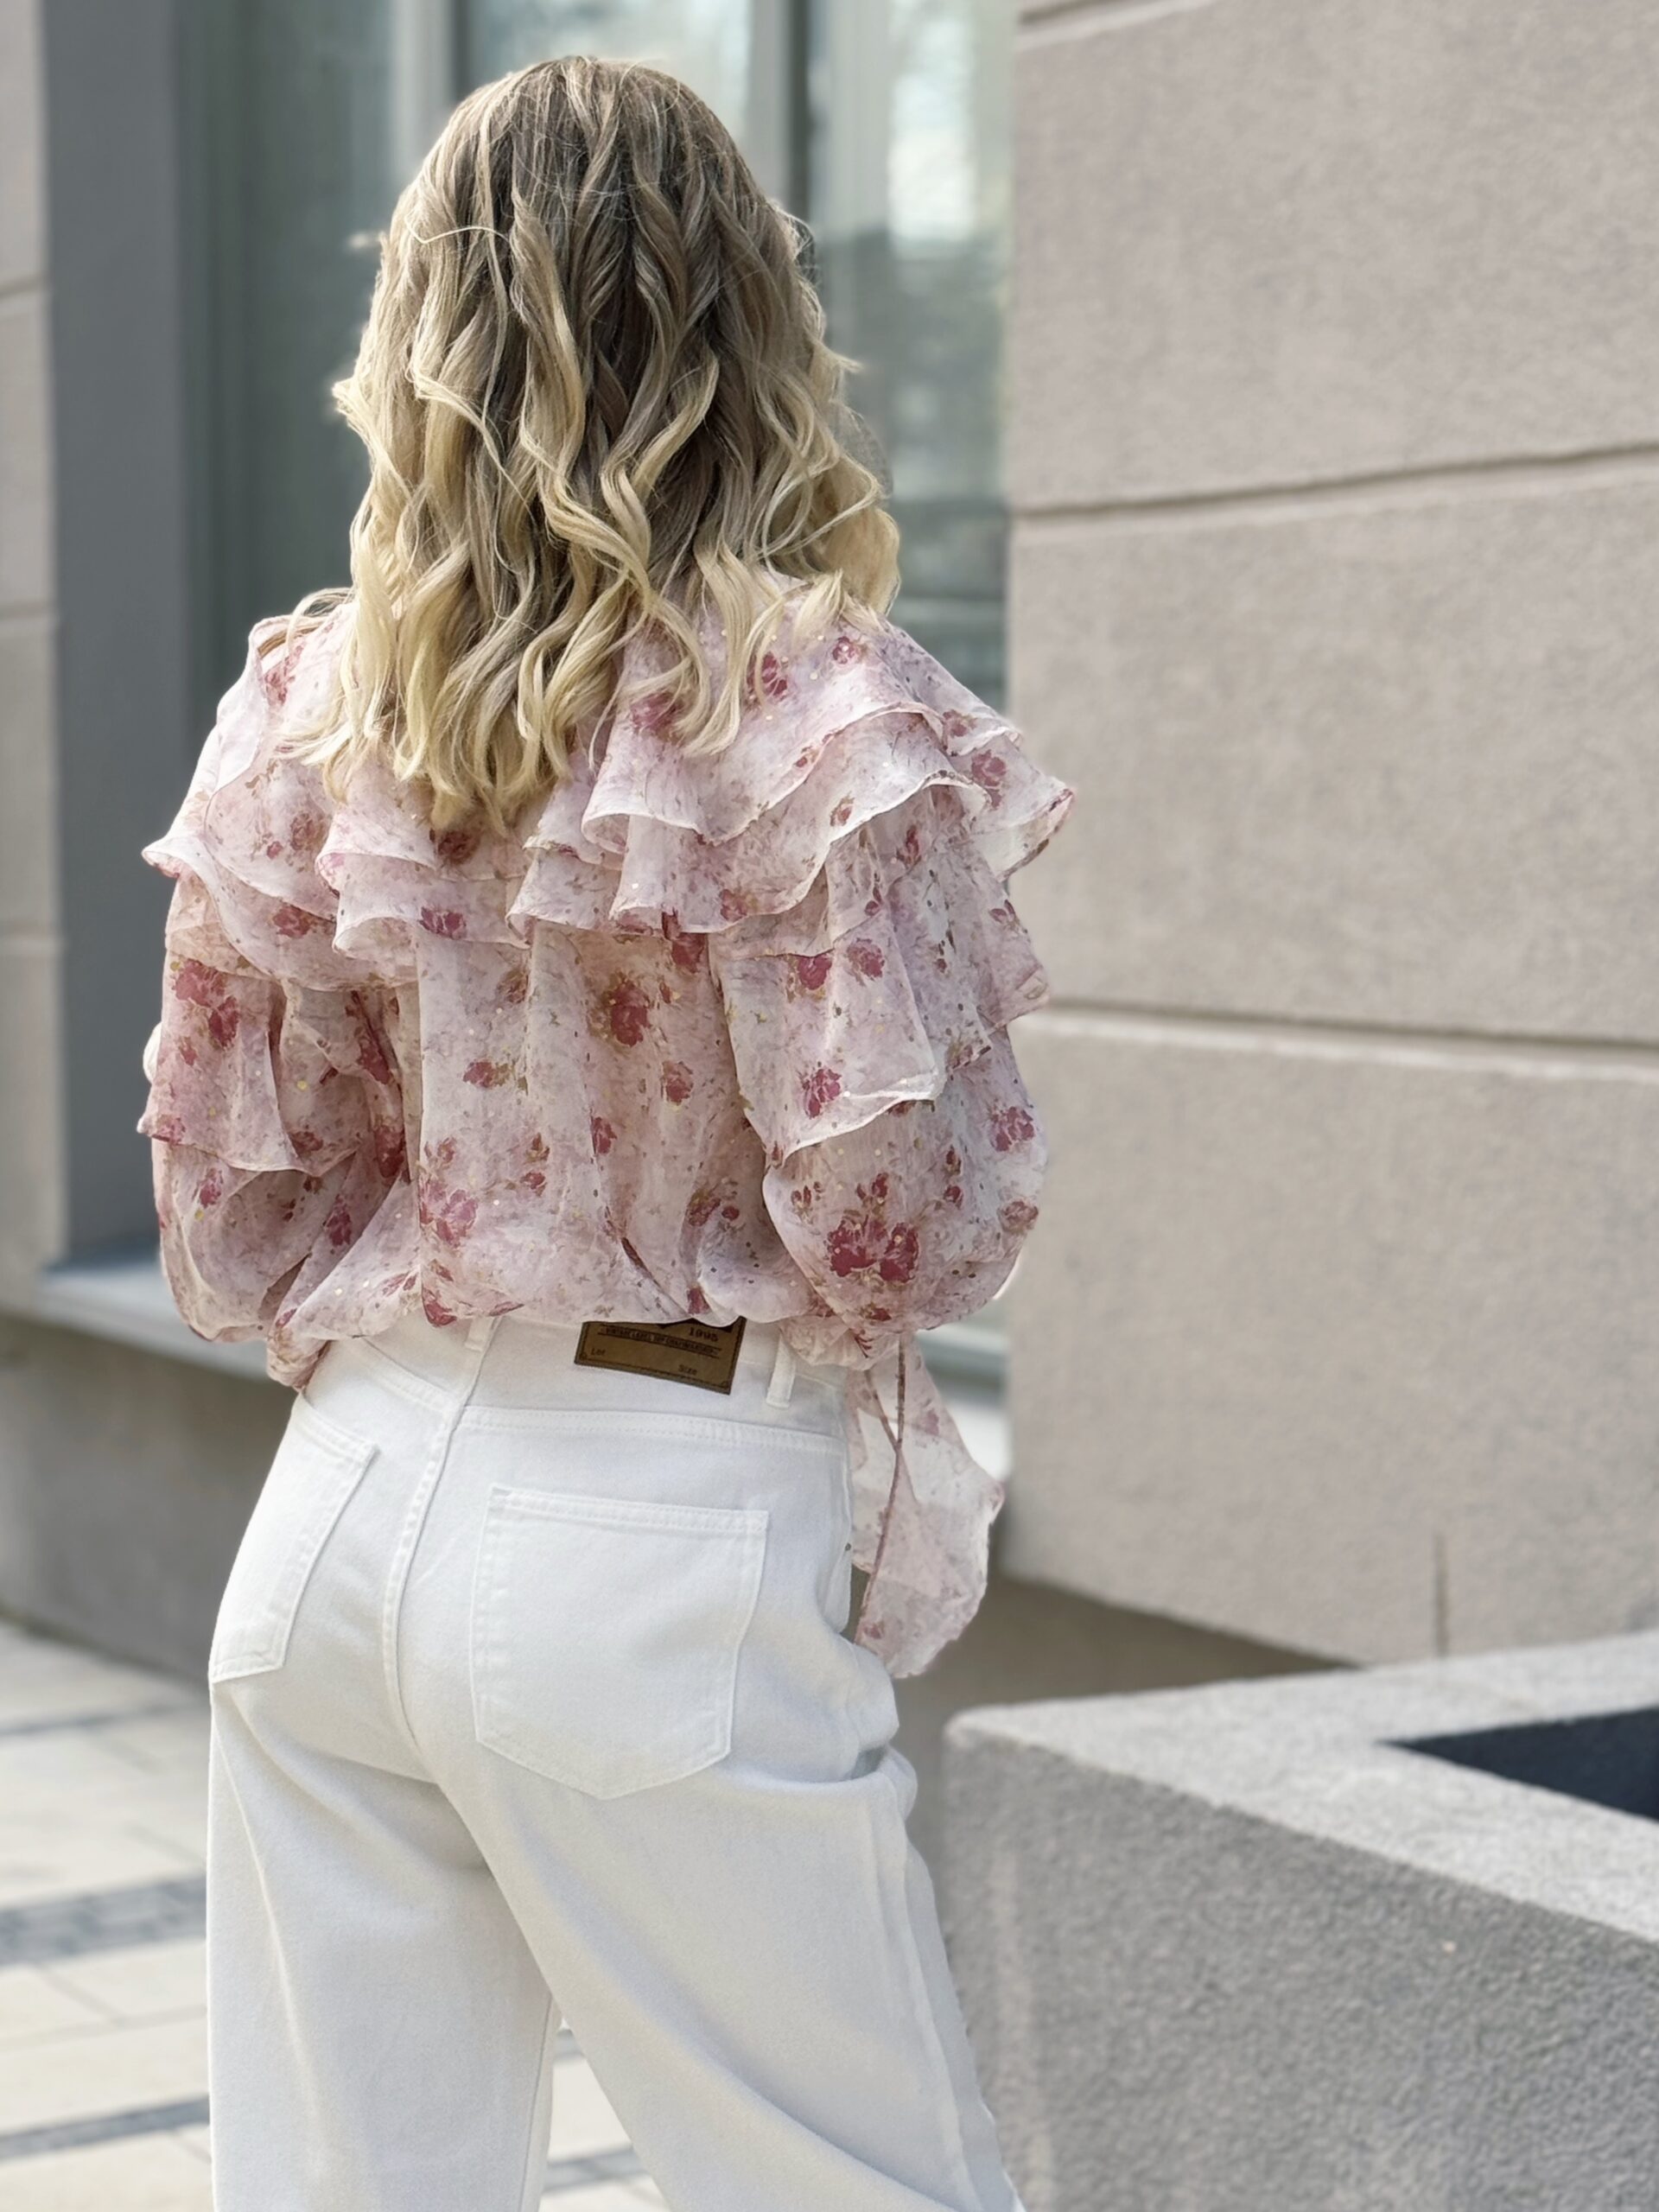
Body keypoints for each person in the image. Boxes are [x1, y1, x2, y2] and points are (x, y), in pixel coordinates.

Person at [137, 54, 1071, 2212]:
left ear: (422, 336)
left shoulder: (307, 707)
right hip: (660, 1521)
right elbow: (902, 1227)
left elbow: (232, 1192)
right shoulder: (819, 712)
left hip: (341, 1504)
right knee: (858, 2179)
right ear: (753, 316)